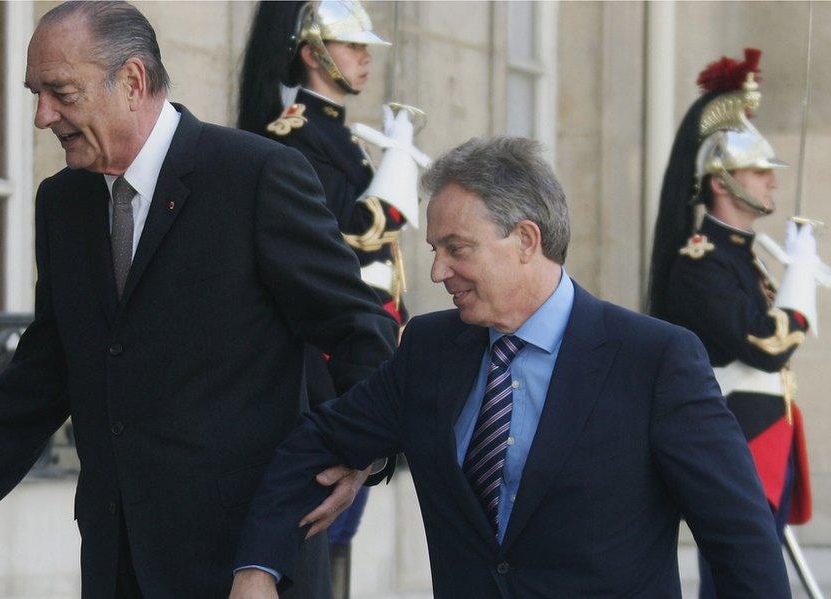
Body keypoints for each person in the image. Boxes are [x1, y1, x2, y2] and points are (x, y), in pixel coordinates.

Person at [0, 2, 397, 597]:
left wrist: (359, 452)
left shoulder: (256, 176)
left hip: (250, 566)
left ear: (133, 81)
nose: (43, 116)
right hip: (118, 564)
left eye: (60, 92)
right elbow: (44, 374)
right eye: (35, 93)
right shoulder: (61, 202)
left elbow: (358, 329)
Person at [228, 136, 791, 598]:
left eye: (457, 249)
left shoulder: (655, 359)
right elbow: (318, 440)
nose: (437, 272)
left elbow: (740, 539)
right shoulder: (428, 349)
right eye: (434, 250)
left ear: (525, 240)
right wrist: (258, 568)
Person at [238, 2, 422, 594]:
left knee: (345, 519)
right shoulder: (295, 135)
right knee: (319, 526)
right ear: (312, 52)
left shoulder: (339, 134)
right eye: (351, 45)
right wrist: (395, 184)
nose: (364, 57)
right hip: (326, 361)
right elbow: (343, 236)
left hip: (365, 349)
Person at [648, 49, 815, 598]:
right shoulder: (701, 263)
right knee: (740, 581)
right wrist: (799, 291)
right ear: (722, 182)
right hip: (738, 436)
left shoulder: (742, 255)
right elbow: (766, 346)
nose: (770, 182)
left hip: (768, 432)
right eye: (758, 171)